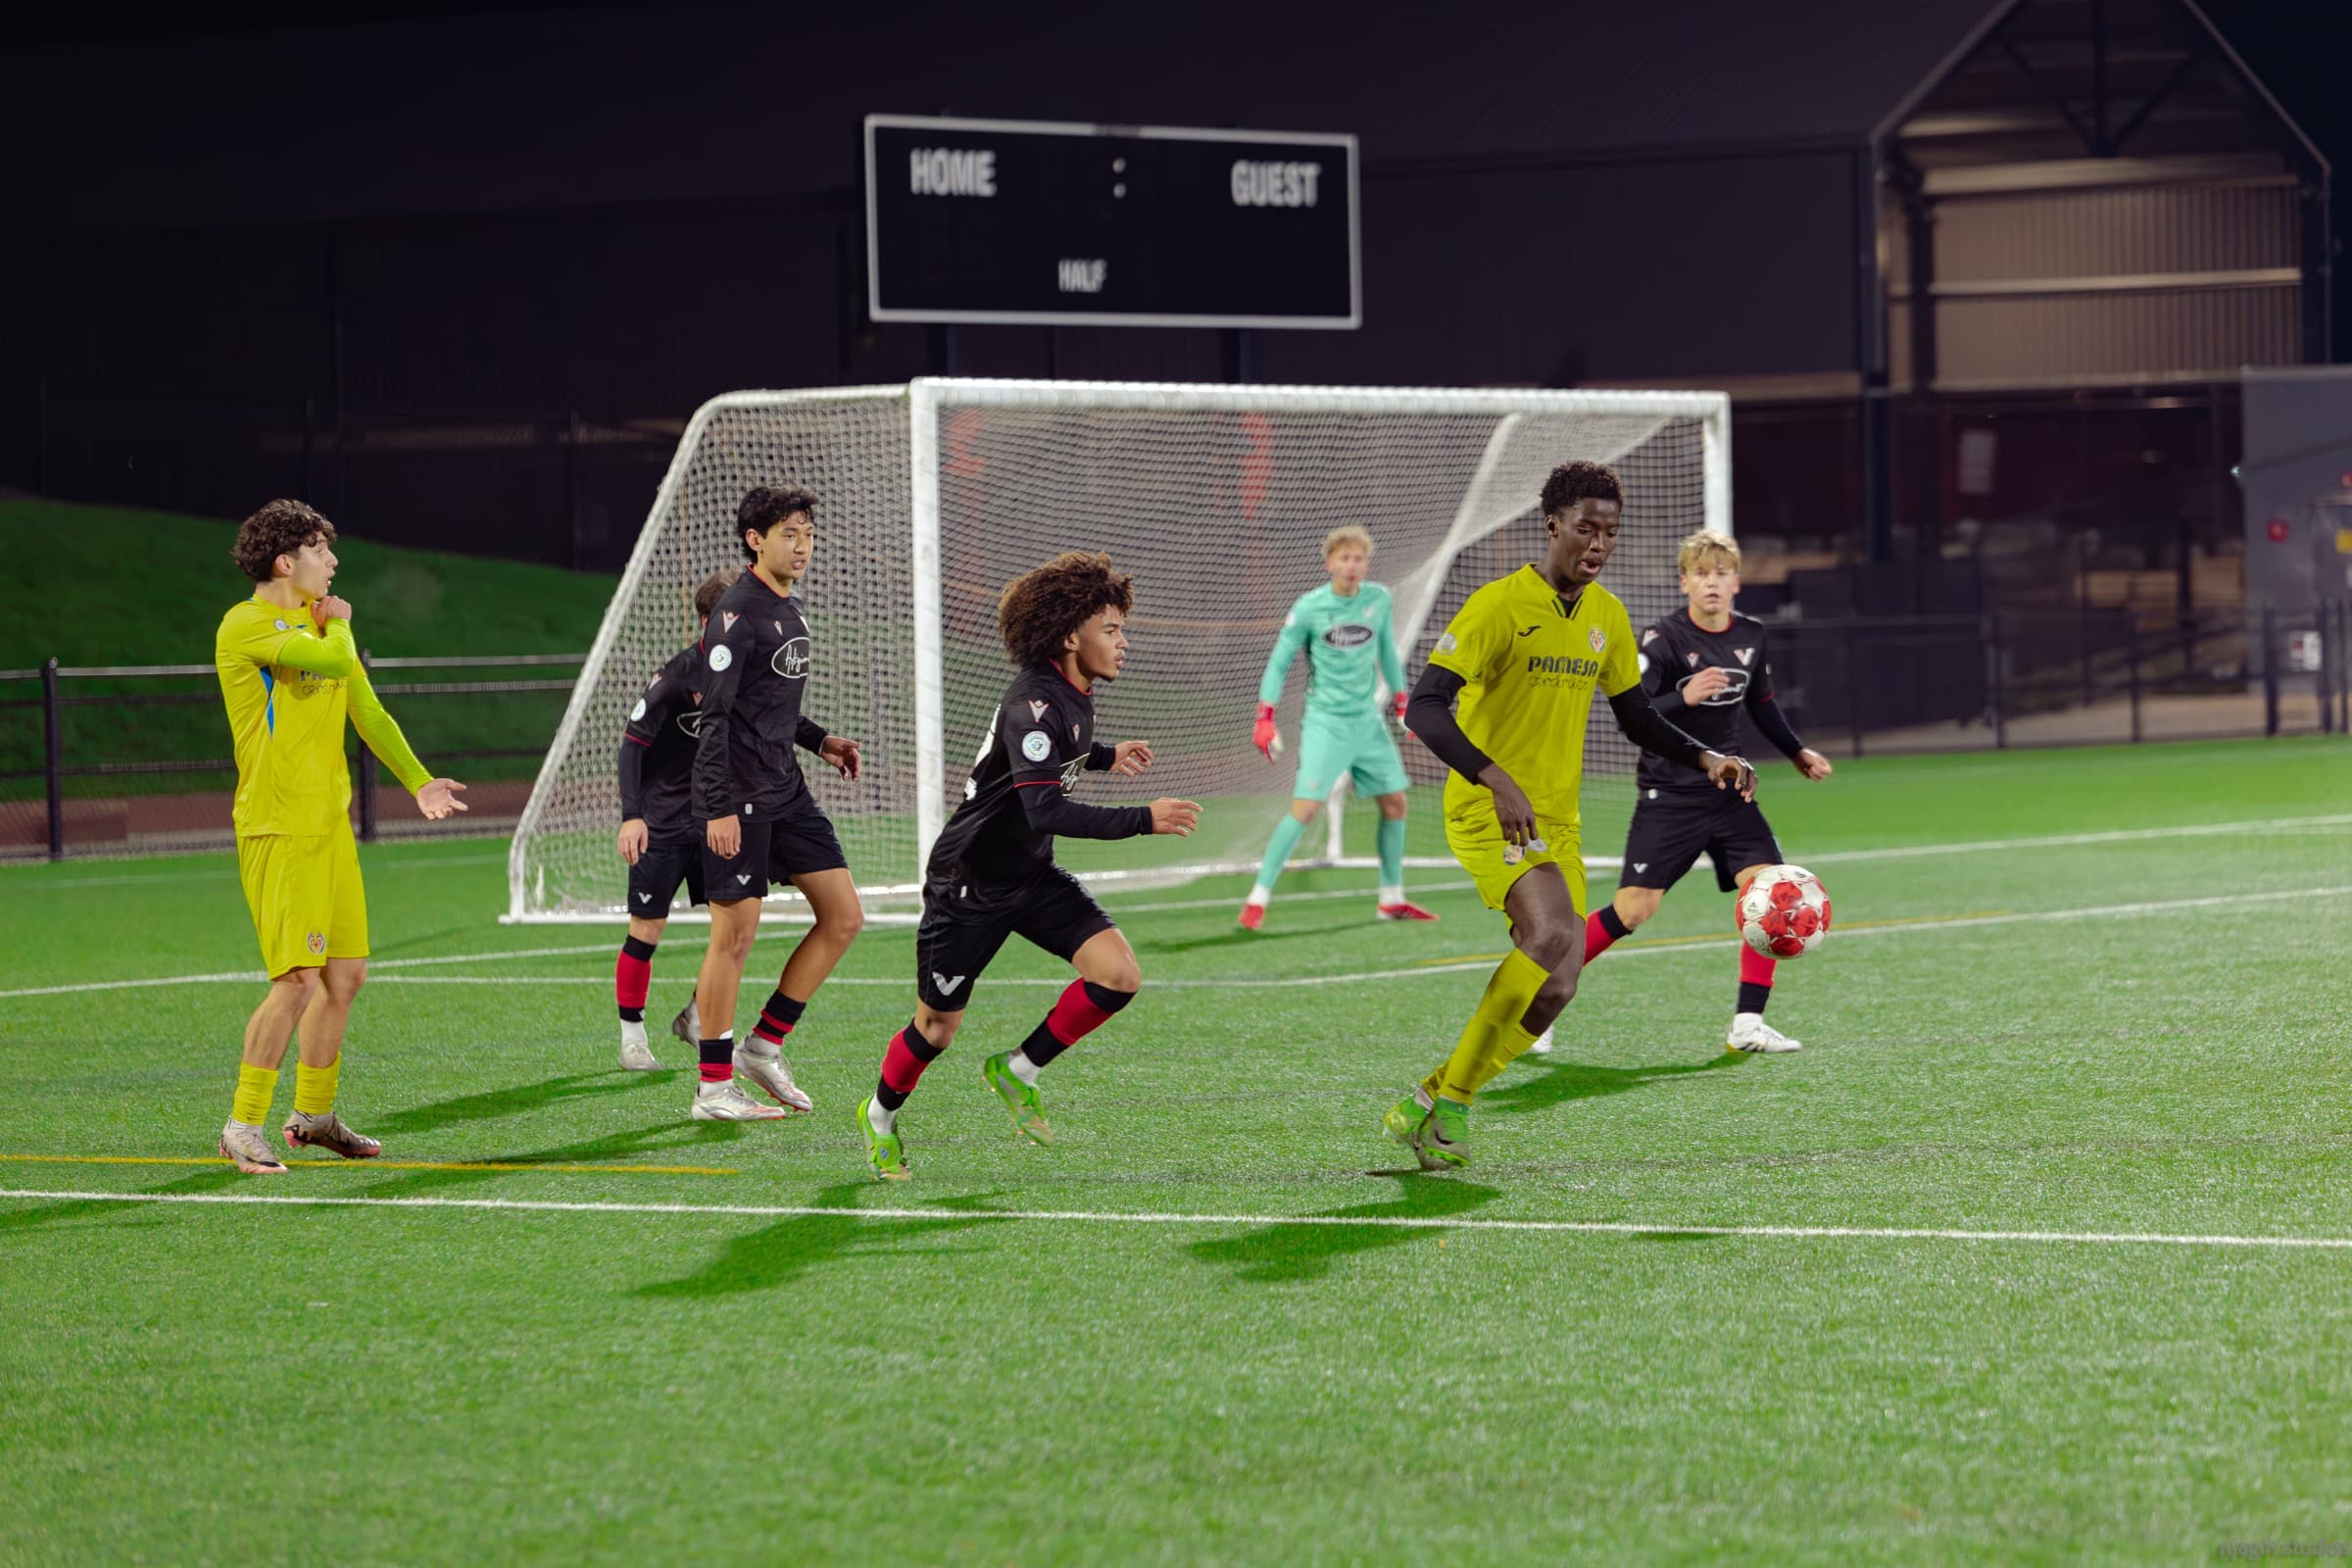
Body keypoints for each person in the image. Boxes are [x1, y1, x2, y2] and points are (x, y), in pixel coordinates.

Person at [1383, 463, 1755, 1171]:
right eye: (1586, 528)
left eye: (1610, 533)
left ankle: (1427, 1099)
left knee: (1559, 985)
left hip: (1557, 819)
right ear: (1551, 524)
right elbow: (1424, 707)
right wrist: (1493, 778)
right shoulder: (1497, 605)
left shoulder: (1606, 617)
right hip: (1489, 808)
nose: (1598, 543)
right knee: (1553, 929)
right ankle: (1455, 1106)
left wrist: (1706, 758)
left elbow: (1638, 717)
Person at [858, 551, 1199, 1180]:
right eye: (1112, 629)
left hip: (1029, 875)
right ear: (1071, 636)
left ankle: (1019, 1069)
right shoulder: (1034, 704)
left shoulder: (1072, 691)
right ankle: (879, 1117)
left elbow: (1055, 757)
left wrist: (1103, 755)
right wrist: (1142, 818)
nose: (1124, 642)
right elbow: (1043, 807)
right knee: (934, 1030)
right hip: (967, 884)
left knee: (1118, 975)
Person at [211, 499, 467, 1174]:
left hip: (329, 832)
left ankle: (314, 1114)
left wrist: (418, 781)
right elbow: (331, 663)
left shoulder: (316, 628)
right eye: (323, 551)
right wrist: (342, 627)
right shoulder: (248, 625)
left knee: (344, 976)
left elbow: (368, 710)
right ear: (285, 560)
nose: (334, 563)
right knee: (296, 979)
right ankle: (242, 1125)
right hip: (278, 829)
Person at [1575, 528, 1833, 1054]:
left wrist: (1796, 751)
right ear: (1683, 581)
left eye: (1720, 574)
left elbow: (1761, 703)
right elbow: (1634, 717)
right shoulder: (1661, 639)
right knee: (1633, 909)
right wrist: (1682, 694)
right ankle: (1540, 990)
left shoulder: (1753, 635)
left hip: (1730, 791)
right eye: (1700, 573)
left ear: (1736, 582)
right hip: (1669, 794)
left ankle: (1747, 1025)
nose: (1711, 583)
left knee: (1770, 891)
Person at [688, 487, 865, 1121]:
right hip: (739, 797)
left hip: (787, 789)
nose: (803, 545)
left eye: (809, 534)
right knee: (733, 939)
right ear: (754, 540)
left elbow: (770, 706)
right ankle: (712, 1089)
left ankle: (763, 1046)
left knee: (843, 916)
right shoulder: (734, 615)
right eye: (790, 533)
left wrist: (821, 741)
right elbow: (715, 718)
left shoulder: (788, 610)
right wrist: (717, 807)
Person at [1239, 525, 1435, 928]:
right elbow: (1279, 661)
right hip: (1326, 724)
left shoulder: (1378, 600)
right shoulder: (1310, 607)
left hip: (1367, 722)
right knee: (1305, 808)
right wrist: (1265, 717)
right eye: (1344, 558)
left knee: (1395, 802)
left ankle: (1391, 899)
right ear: (1329, 563)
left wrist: (1402, 702)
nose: (1352, 565)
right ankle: (1258, 898)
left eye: (1359, 558)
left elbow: (1386, 651)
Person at [611, 566, 739, 1070]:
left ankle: (695, 1015)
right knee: (647, 929)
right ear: (705, 620)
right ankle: (632, 1038)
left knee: (732, 929)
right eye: (730, 620)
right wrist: (632, 816)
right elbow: (631, 745)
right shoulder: (673, 677)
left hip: (716, 824)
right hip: (662, 824)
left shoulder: (745, 673)